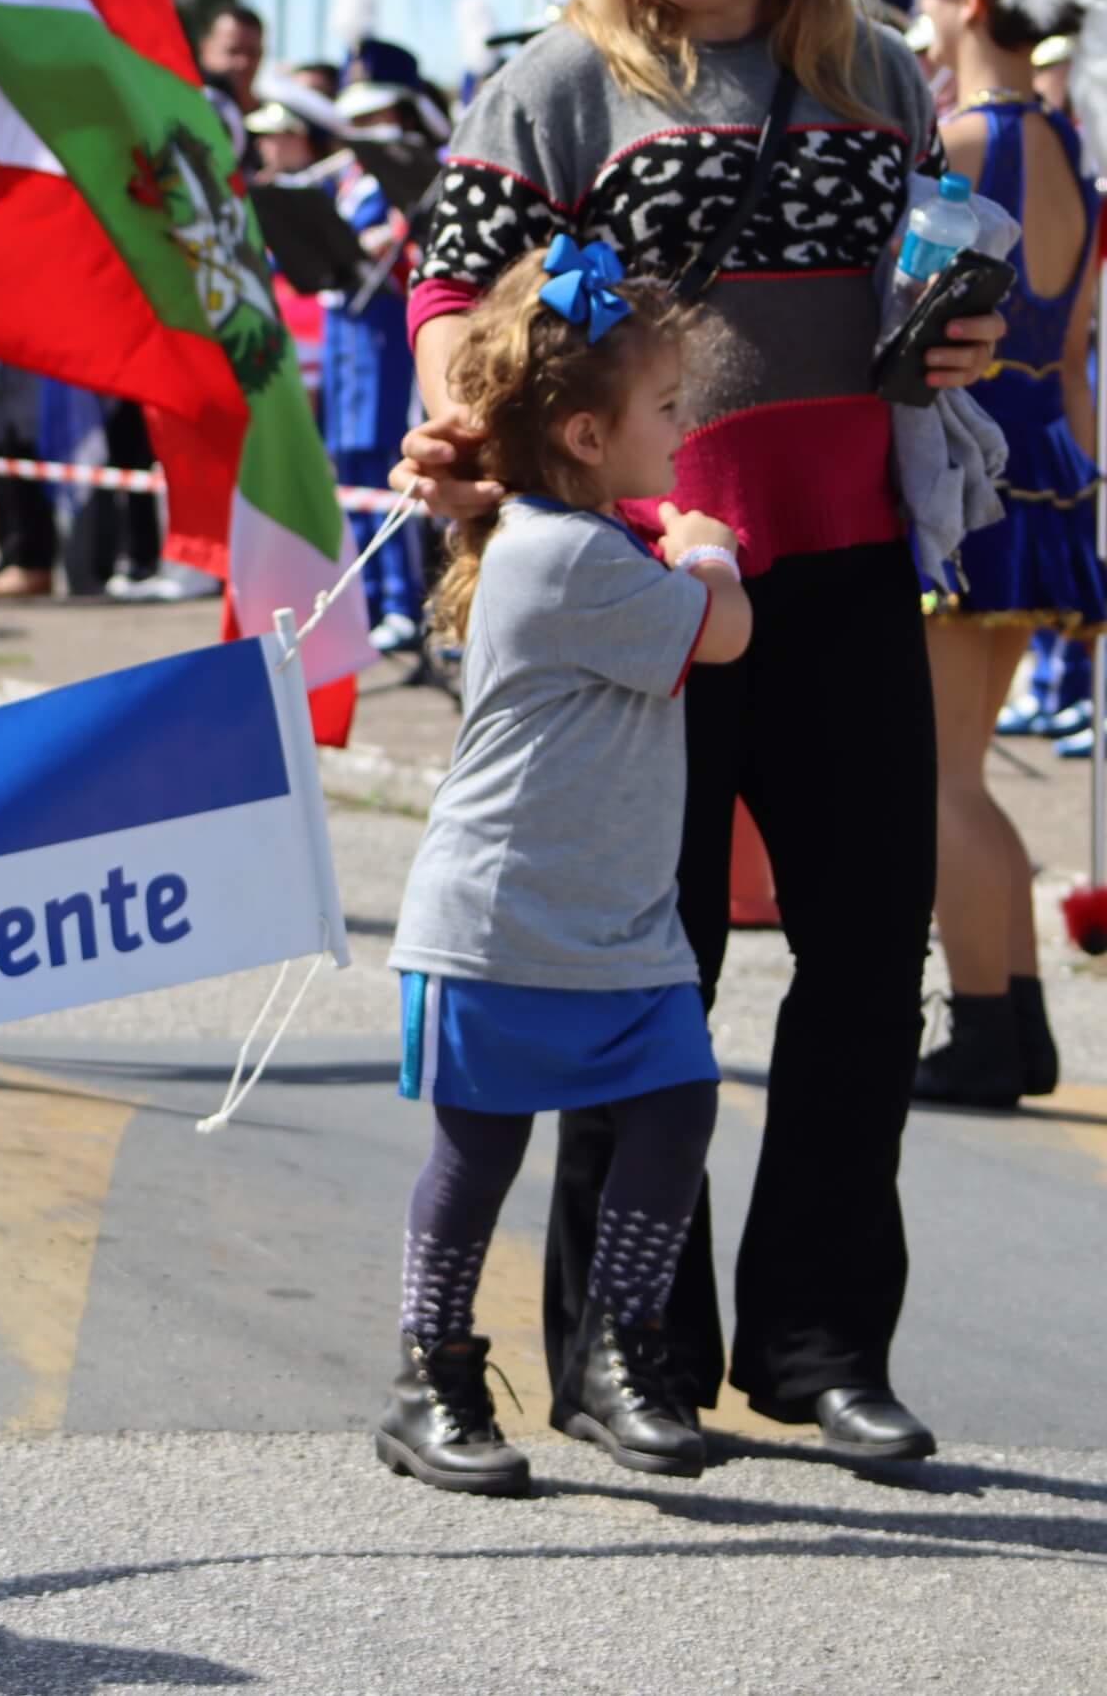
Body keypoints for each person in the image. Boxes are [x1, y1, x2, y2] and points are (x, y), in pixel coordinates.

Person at [398, 0, 1006, 1461]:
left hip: (850, 556)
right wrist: (471, 437)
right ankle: (631, 1351)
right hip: (644, 576)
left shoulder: (876, 71)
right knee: (640, 959)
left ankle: (822, 1346)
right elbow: (453, 300)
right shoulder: (557, 82)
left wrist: (962, 336)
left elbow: (926, 272)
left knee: (868, 958)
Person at [381, 241, 751, 1494]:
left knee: (674, 1107)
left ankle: (618, 1343)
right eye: (666, 407)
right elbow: (723, 631)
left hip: (616, 923)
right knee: (476, 1152)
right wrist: (706, 548)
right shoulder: (568, 558)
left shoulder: (571, 531)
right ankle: (429, 1371)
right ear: (587, 437)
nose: (682, 428)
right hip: (503, 922)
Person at [910, 0, 1101, 1108]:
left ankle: (987, 1028)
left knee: (940, 777)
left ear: (971, 3)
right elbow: (1072, 359)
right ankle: (1017, 1022)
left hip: (966, 472)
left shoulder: (963, 141)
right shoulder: (1066, 147)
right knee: (964, 770)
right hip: (1043, 474)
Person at [326, 75, 435, 650]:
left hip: (384, 335)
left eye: (374, 119)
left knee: (387, 464)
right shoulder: (345, 180)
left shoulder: (406, 179)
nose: (362, 132)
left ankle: (400, 599)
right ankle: (364, 595)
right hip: (346, 334)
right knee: (349, 464)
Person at [198, 6, 264, 115]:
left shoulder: (278, 120)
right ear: (205, 49)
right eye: (233, 51)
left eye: (252, 53)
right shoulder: (183, 112)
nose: (243, 63)